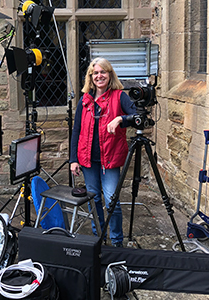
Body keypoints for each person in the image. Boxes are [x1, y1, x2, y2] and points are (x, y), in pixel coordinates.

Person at [70, 57, 137, 247]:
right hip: (88, 160)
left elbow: (137, 116)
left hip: (110, 160)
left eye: (103, 72)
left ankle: (116, 241)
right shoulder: (85, 99)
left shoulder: (119, 96)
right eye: (95, 73)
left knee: (111, 200)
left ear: (109, 74)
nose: (99, 76)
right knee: (94, 199)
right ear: (91, 77)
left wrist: (120, 119)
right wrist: (73, 159)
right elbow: (77, 130)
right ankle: (98, 237)